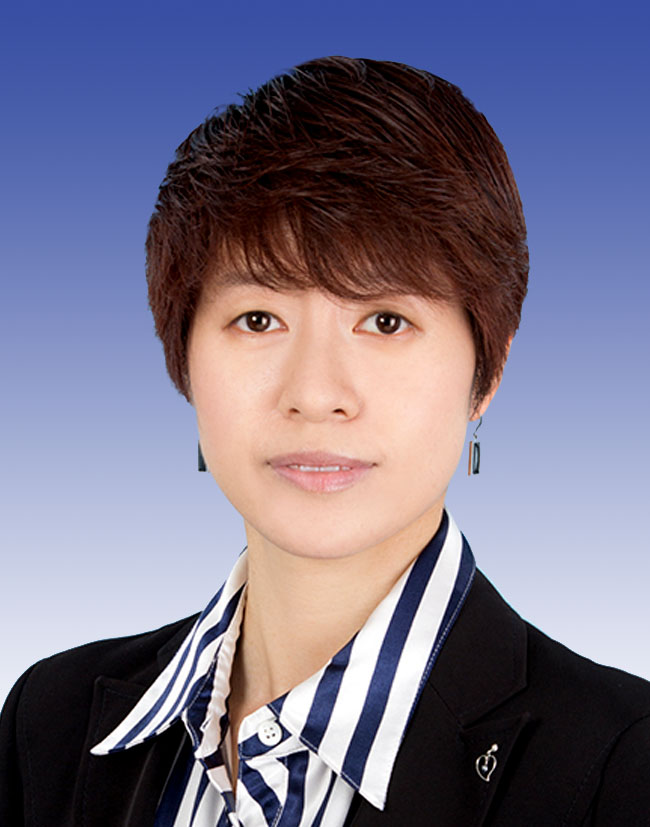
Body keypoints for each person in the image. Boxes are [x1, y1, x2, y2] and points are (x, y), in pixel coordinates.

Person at [1, 55, 649, 827]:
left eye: (385, 321)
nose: (314, 393)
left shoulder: (619, 765)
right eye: (258, 319)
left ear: (489, 369)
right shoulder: (52, 721)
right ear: (184, 362)